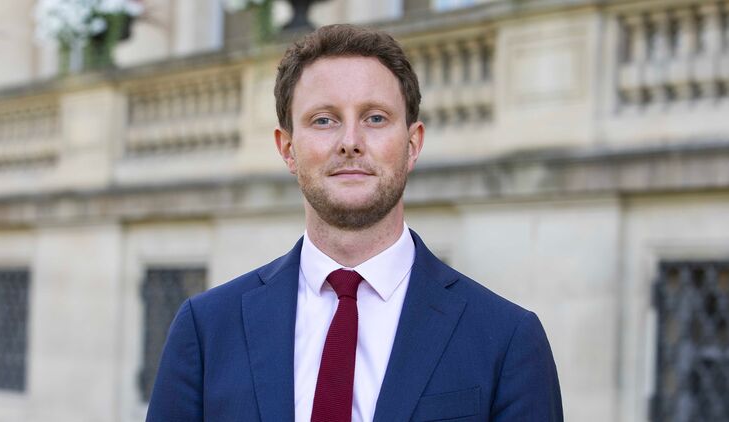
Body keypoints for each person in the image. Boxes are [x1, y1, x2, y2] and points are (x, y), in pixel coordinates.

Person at [146, 24, 563, 422]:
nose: (350, 142)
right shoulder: (206, 330)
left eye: (375, 118)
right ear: (288, 149)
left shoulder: (507, 339)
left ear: (412, 145)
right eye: (324, 120)